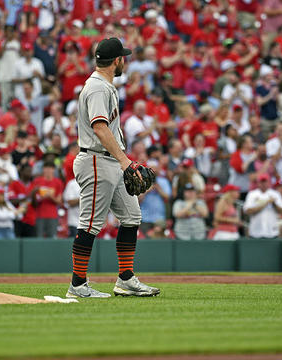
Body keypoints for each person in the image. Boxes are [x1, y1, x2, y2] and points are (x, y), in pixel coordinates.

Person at [67, 38, 160, 298]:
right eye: (123, 57)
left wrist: (121, 160)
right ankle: (77, 285)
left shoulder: (105, 85)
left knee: (131, 217)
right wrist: (124, 160)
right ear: (117, 60)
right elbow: (99, 127)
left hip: (109, 160)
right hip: (97, 160)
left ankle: (126, 279)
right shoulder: (97, 88)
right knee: (90, 224)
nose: (125, 61)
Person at [243, 173, 282, 238]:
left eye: (265, 182)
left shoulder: (275, 194)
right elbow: (247, 211)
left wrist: (273, 203)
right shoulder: (252, 194)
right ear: (258, 183)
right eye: (261, 182)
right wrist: (266, 203)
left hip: (272, 231)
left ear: (269, 182)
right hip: (255, 231)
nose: (263, 184)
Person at [139, 159, 171, 236]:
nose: (153, 171)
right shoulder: (142, 181)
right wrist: (147, 190)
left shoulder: (163, 181)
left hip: (159, 217)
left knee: (160, 239)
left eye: (154, 168)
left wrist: (159, 189)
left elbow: (168, 197)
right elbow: (138, 199)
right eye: (151, 168)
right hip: (145, 217)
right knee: (145, 240)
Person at [31, 161, 63, 238]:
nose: (48, 170)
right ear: (43, 169)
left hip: (52, 215)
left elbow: (59, 201)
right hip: (39, 214)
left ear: (53, 170)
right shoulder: (37, 181)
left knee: (52, 238)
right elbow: (33, 200)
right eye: (46, 168)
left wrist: (50, 197)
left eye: (50, 168)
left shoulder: (58, 182)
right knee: (39, 237)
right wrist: (41, 197)